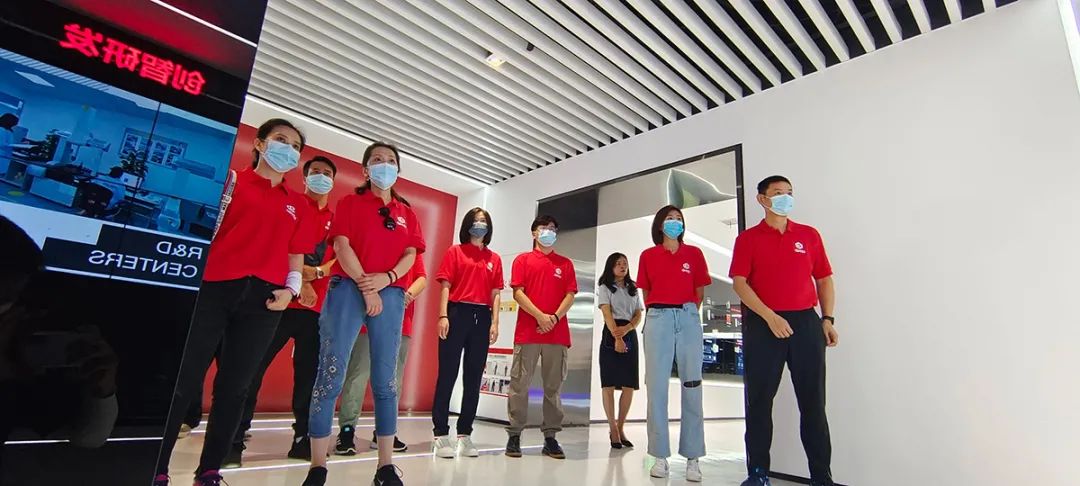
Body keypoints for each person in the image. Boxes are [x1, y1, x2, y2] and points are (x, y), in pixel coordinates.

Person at [153, 118, 320, 486]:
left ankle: (210, 470)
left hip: (264, 301)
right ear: (259, 144)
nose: (288, 149)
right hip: (213, 290)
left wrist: (291, 290)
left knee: (235, 386)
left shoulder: (297, 204)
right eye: (280, 140)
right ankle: (158, 467)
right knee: (184, 380)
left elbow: (295, 254)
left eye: (295, 146)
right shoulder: (231, 183)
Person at [303, 142, 424, 486]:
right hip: (348, 288)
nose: (384, 165)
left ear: (398, 170)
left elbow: (411, 254)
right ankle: (317, 467)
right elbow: (341, 246)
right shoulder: (350, 203)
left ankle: (385, 467)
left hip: (391, 292)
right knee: (331, 376)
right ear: (366, 169)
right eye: (377, 160)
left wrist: (387, 278)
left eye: (391, 161)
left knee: (386, 382)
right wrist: (366, 286)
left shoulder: (407, 212)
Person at [730, 176, 837, 486]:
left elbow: (824, 279)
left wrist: (827, 319)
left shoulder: (809, 235)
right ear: (762, 199)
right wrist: (769, 316)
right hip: (764, 325)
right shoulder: (748, 239)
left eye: (789, 193)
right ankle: (758, 474)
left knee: (813, 403)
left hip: (806, 323)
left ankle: (821, 476)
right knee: (760, 402)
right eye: (778, 193)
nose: (785, 198)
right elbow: (740, 283)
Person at [233, 156, 339, 462]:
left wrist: (316, 274)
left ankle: (303, 439)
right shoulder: (291, 205)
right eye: (315, 172)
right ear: (304, 178)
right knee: (251, 368)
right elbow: (281, 245)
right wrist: (300, 282)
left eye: (327, 173)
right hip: (278, 301)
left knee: (310, 378)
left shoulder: (336, 220)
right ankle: (234, 438)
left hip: (317, 311)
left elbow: (340, 256)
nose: (321, 177)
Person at [636, 205, 710, 482]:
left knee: (693, 385)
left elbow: (699, 291)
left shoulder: (694, 254)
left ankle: (693, 457)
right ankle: (659, 456)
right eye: (670, 218)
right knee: (656, 388)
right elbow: (646, 292)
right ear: (660, 224)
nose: (675, 222)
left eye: (679, 219)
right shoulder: (648, 255)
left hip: (688, 317)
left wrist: (685, 313)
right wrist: (662, 313)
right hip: (658, 318)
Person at [334, 255, 426, 455]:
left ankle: (385, 431)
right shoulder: (376, 245)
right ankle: (347, 430)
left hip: (400, 323)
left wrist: (407, 295)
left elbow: (421, 278)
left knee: (393, 381)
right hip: (368, 316)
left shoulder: (412, 251)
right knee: (358, 375)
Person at [430, 208, 504, 458]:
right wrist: (443, 315)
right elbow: (446, 285)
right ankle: (440, 434)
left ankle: (465, 434)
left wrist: (495, 322)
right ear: (467, 225)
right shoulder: (455, 251)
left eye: (483, 221)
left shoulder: (494, 258)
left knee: (473, 378)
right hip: (457, 313)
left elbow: (495, 293)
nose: (479, 224)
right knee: (447, 374)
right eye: (475, 221)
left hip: (481, 317)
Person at [504, 215, 576, 460]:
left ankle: (551, 437)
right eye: (544, 228)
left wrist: (553, 318)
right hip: (528, 332)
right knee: (519, 385)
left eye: (553, 228)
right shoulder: (523, 260)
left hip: (557, 334)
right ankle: (515, 434)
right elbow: (518, 293)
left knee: (553, 387)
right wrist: (540, 317)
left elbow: (570, 295)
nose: (549, 232)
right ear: (534, 233)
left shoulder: (565, 264)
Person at [596, 252, 643, 450]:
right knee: (608, 384)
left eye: (625, 263)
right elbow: (606, 313)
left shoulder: (634, 288)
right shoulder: (605, 287)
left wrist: (628, 328)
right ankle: (612, 428)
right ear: (611, 266)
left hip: (629, 332)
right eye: (618, 263)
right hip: (611, 332)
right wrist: (617, 337)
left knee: (628, 384)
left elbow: (638, 313)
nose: (622, 266)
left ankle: (621, 427)